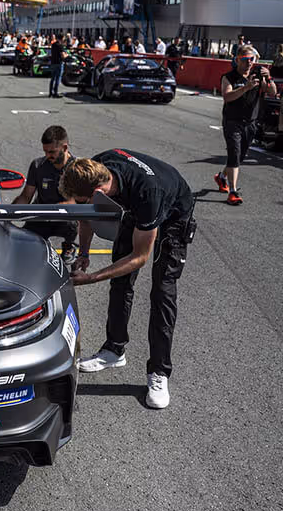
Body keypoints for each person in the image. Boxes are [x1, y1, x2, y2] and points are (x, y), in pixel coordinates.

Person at [61, 151, 196, 409]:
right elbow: (87, 214)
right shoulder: (94, 167)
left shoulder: (148, 193)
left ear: (98, 191)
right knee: (120, 281)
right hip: (135, 207)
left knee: (162, 292)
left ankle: (159, 372)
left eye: (84, 199)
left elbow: (139, 257)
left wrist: (92, 278)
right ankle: (114, 350)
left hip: (173, 213)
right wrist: (84, 253)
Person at [215, 45, 275, 206]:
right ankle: (233, 192)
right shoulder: (229, 77)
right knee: (234, 154)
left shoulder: (257, 75)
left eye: (251, 59)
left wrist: (269, 78)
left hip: (250, 122)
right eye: (245, 59)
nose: (249, 62)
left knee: (239, 157)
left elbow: (272, 92)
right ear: (237, 60)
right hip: (232, 121)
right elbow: (227, 97)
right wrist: (246, 87)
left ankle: (221, 177)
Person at [13, 125, 78, 264]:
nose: (48, 155)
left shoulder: (77, 169)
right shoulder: (38, 166)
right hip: (41, 216)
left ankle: (69, 246)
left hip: (65, 218)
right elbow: (26, 196)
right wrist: (7, 214)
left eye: (52, 152)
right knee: (18, 245)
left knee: (72, 220)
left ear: (65, 148)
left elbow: (75, 202)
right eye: (45, 151)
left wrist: (53, 210)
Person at [48, 33, 65, 98]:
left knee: (53, 78)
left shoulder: (53, 44)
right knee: (58, 78)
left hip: (53, 62)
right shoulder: (60, 45)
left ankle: (50, 92)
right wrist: (66, 55)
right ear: (62, 38)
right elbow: (63, 55)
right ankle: (55, 92)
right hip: (59, 62)